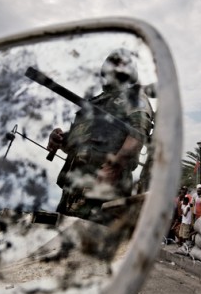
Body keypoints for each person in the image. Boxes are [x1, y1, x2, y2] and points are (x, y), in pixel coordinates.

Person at [47, 49, 154, 221]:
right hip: (72, 188)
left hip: (104, 190)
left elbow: (137, 135)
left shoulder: (134, 98)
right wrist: (58, 140)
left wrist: (113, 168)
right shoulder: (94, 102)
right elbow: (77, 143)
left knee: (92, 241)